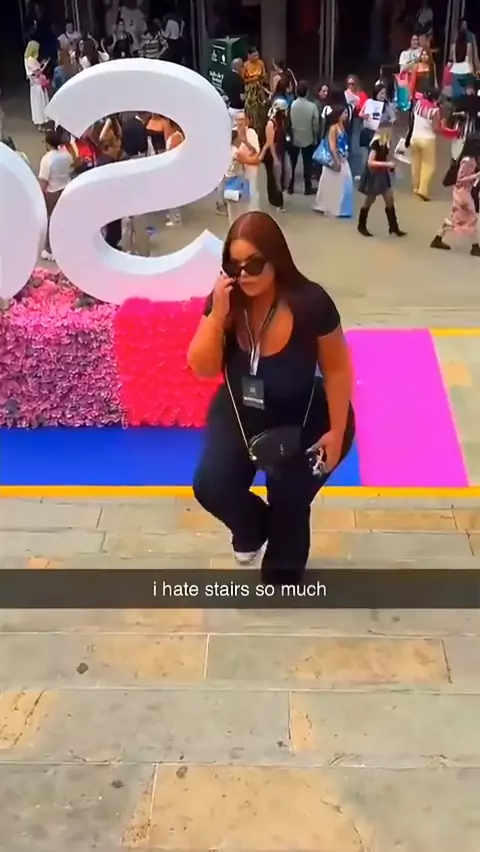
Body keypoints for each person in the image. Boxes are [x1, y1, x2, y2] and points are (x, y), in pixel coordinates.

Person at [188, 211, 354, 583]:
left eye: (254, 264)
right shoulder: (227, 301)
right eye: (234, 265)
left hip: (305, 415)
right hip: (242, 409)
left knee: (287, 514)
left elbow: (338, 369)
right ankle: (256, 526)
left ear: (276, 260)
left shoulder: (311, 303)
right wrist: (216, 316)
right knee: (212, 485)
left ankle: (283, 534)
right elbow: (201, 367)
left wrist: (336, 432)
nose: (244, 274)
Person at [357, 117, 406, 238]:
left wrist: (392, 166)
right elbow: (370, 162)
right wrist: (387, 165)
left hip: (382, 173)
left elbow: (385, 157)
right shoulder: (375, 143)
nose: (392, 130)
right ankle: (361, 225)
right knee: (370, 199)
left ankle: (393, 227)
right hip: (373, 174)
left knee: (389, 197)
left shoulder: (386, 141)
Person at [431, 138, 480, 256]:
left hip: (462, 192)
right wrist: (475, 176)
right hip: (463, 194)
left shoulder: (470, 160)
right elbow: (459, 180)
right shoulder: (468, 161)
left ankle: (438, 238)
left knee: (456, 218)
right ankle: (475, 247)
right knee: (471, 218)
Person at [38, 128, 73, 261]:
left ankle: (49, 249)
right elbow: (72, 167)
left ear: (48, 143)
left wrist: (40, 195)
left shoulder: (46, 159)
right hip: (66, 189)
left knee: (50, 220)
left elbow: (44, 180)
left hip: (52, 192)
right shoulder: (66, 155)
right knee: (63, 219)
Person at [313, 104, 353, 218]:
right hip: (336, 160)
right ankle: (331, 206)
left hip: (343, 158)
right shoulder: (333, 128)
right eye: (345, 113)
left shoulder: (342, 126)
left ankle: (342, 208)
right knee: (332, 183)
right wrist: (336, 160)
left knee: (344, 183)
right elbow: (332, 146)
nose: (347, 115)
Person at [409, 88, 441, 201]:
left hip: (414, 137)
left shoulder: (418, 103)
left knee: (415, 164)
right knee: (428, 166)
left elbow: (412, 117)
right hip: (427, 139)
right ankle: (422, 189)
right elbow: (436, 128)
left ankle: (415, 187)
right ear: (436, 98)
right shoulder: (435, 110)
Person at [288, 80, 318, 195]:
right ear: (307, 92)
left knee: (292, 163)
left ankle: (290, 186)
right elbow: (315, 124)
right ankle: (307, 187)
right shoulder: (312, 106)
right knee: (307, 163)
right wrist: (315, 136)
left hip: (294, 137)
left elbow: (288, 121)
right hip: (308, 137)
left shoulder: (291, 105)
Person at [261, 100, 288, 211]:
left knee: (285, 174)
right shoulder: (271, 124)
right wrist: (275, 158)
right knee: (275, 178)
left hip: (281, 151)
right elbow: (270, 143)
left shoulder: (282, 121)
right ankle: (277, 202)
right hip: (273, 154)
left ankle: (277, 198)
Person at [235, 111, 261, 210]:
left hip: (250, 171)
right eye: (238, 120)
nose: (240, 122)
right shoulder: (233, 134)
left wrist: (244, 159)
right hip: (236, 173)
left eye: (242, 119)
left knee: (252, 193)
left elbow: (256, 154)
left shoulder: (252, 133)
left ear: (247, 121)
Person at [344, 75, 368, 180]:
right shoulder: (345, 94)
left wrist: (357, 105)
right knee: (348, 147)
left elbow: (365, 107)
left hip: (358, 121)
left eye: (353, 84)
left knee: (356, 148)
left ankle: (357, 172)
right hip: (347, 122)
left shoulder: (361, 95)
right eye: (349, 84)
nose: (351, 86)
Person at [243, 46, 269, 141]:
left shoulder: (261, 63)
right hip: (250, 91)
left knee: (260, 110)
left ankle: (261, 130)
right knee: (251, 110)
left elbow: (264, 76)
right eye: (254, 55)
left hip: (260, 90)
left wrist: (261, 81)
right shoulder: (245, 65)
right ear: (249, 56)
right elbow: (243, 79)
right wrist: (253, 79)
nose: (256, 57)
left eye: (257, 55)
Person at [164, 118, 185, 226]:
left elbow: (174, 154)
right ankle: (173, 215)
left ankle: (176, 218)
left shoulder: (176, 137)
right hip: (174, 169)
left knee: (173, 194)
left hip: (174, 169)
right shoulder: (176, 135)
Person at [24, 41, 49, 129]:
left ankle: (39, 122)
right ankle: (41, 122)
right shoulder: (31, 60)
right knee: (39, 103)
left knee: (36, 103)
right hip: (38, 84)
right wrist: (45, 65)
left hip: (34, 85)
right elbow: (37, 72)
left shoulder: (27, 59)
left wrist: (41, 64)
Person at [449, 27, 476, 100]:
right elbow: (470, 60)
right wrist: (473, 72)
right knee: (469, 93)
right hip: (466, 71)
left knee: (456, 93)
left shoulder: (453, 46)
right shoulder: (469, 46)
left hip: (455, 71)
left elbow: (453, 60)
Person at [222, 58, 245, 124]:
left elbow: (223, 92)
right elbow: (242, 97)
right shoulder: (240, 80)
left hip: (229, 109)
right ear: (240, 67)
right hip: (239, 110)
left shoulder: (225, 78)